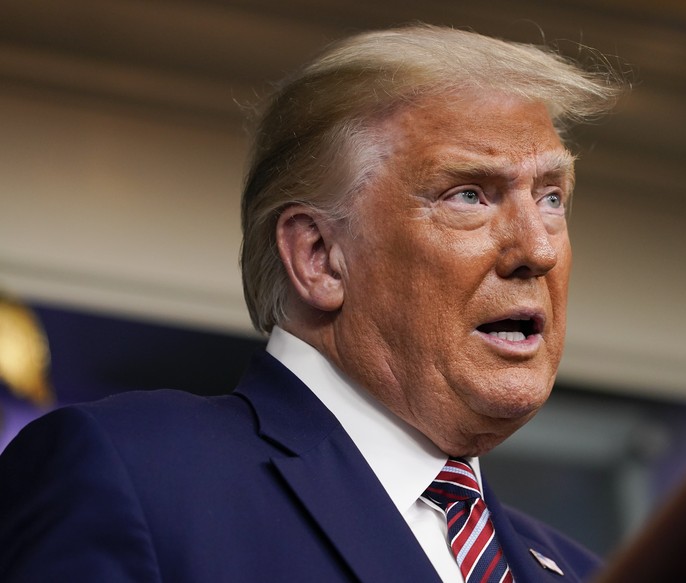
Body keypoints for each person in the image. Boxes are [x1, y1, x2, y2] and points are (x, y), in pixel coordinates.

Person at [0, 24, 621, 582]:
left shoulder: (584, 570)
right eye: (468, 195)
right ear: (319, 256)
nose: (538, 249)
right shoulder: (137, 475)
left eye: (551, 198)